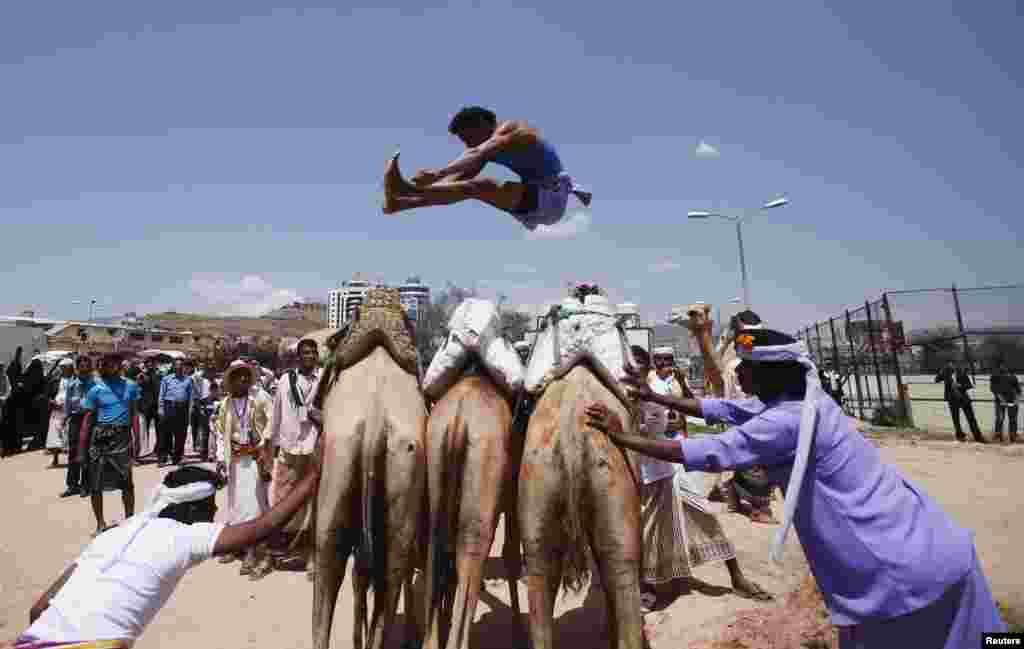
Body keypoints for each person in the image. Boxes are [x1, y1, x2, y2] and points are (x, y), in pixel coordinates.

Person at [588, 328, 1006, 648]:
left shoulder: (784, 422)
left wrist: (622, 438)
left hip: (897, 578)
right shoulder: (807, 403)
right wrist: (652, 396)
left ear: (770, 373)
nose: (740, 373)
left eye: (747, 367)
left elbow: (710, 450)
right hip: (934, 550)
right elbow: (720, 408)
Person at [11, 459, 321, 649]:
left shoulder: (111, 535)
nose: (214, 510)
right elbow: (265, 525)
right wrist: (316, 475)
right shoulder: (186, 536)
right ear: (190, 508)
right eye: (209, 504)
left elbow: (38, 611)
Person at [630, 346, 770, 615]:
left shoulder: (656, 387)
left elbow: (668, 420)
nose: (633, 370)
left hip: (669, 462)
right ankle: (646, 585)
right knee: (645, 528)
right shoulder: (631, 390)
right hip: (643, 468)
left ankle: (736, 576)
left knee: (702, 512)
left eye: (638, 365)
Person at [381, 106, 592, 231]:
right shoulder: (483, 152)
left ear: (483, 123)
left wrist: (437, 174)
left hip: (551, 198)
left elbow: (478, 152)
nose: (467, 144)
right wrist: (416, 194)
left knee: (485, 185)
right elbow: (456, 186)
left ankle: (405, 193)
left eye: (468, 137)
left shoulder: (513, 130)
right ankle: (399, 204)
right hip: (532, 207)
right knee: (471, 188)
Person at [688, 308, 778, 524]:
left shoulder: (767, 358)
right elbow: (719, 379)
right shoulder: (734, 365)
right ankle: (756, 505)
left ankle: (735, 491)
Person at [212, 360, 274, 580]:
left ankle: (252, 550)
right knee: (236, 503)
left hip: (255, 459)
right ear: (231, 380)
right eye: (238, 376)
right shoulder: (226, 405)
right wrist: (220, 457)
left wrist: (262, 442)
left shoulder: (260, 398)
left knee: (255, 503)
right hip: (235, 460)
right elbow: (220, 433)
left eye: (246, 375)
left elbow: (272, 421)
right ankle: (237, 544)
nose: (244, 379)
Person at [266, 339, 322, 577]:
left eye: (313, 352)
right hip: (289, 448)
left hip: (314, 448)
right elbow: (276, 414)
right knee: (282, 499)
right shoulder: (285, 381)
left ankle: (311, 556)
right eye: (305, 352)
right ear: (298, 357)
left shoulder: (325, 381)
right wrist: (268, 448)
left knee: (313, 502)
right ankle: (277, 552)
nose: (309, 356)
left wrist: (321, 416)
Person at [78, 353, 140, 537]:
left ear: (119, 365)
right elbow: (87, 421)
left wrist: (137, 440)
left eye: (112, 364)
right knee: (95, 485)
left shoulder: (131, 386)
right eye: (104, 364)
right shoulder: (95, 389)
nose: (107, 367)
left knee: (127, 483)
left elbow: (134, 414)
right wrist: (82, 450)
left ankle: (130, 520)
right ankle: (100, 523)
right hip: (100, 439)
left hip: (122, 438)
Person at [61, 356, 95, 498]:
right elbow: (68, 403)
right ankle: (72, 485)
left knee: (87, 451)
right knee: (73, 451)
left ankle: (86, 485)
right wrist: (65, 418)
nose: (83, 367)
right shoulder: (71, 384)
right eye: (81, 365)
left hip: (89, 418)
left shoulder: (95, 383)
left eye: (86, 365)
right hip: (75, 419)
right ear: (77, 367)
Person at [934, 361, 984, 443]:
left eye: (952, 364)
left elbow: (969, 385)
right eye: (949, 364)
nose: (951, 366)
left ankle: (978, 437)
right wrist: (941, 372)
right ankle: (960, 436)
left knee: (971, 418)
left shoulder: (962, 372)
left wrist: (960, 386)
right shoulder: (945, 373)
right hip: (952, 400)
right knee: (956, 420)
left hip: (964, 399)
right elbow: (936, 380)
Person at [158, 359, 193, 466]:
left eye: (180, 365)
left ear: (183, 367)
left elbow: (191, 397)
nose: (178, 367)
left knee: (180, 434)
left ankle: (177, 458)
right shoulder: (166, 379)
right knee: (165, 433)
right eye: (176, 365)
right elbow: (161, 394)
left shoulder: (188, 380)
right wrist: (160, 408)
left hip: (182, 408)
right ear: (173, 367)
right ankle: (163, 458)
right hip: (169, 407)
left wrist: (190, 411)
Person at [44, 360, 74, 469]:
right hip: (57, 410)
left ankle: (71, 457)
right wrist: (52, 402)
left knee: (69, 433)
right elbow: (48, 395)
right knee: (55, 433)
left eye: (64, 367)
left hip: (70, 410)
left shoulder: (75, 380)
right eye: (61, 368)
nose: (62, 370)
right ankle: (55, 457)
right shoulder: (56, 380)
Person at [135, 357, 161, 460]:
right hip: (145, 406)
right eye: (148, 363)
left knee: (159, 429)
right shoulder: (141, 375)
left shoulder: (159, 375)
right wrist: (139, 380)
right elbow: (137, 388)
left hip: (157, 405)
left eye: (152, 363)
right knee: (143, 430)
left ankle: (157, 450)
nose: (150, 365)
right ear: (145, 364)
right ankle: (142, 451)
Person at [990, 361, 1020, 443]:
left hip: (1012, 401)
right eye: (1002, 366)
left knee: (1013, 419)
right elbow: (993, 389)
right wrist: (1001, 399)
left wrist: (1016, 400)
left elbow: (1018, 390)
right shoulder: (994, 376)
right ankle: (998, 435)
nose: (1004, 367)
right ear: (999, 366)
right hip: (1000, 402)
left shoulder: (1013, 377)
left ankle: (1013, 436)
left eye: (1006, 366)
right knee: (1000, 418)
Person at [187, 360, 212, 460]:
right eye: (201, 367)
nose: (203, 369)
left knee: (204, 429)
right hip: (196, 405)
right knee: (196, 427)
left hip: (206, 405)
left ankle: (203, 450)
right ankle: (197, 446)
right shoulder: (194, 377)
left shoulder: (208, 379)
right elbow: (195, 393)